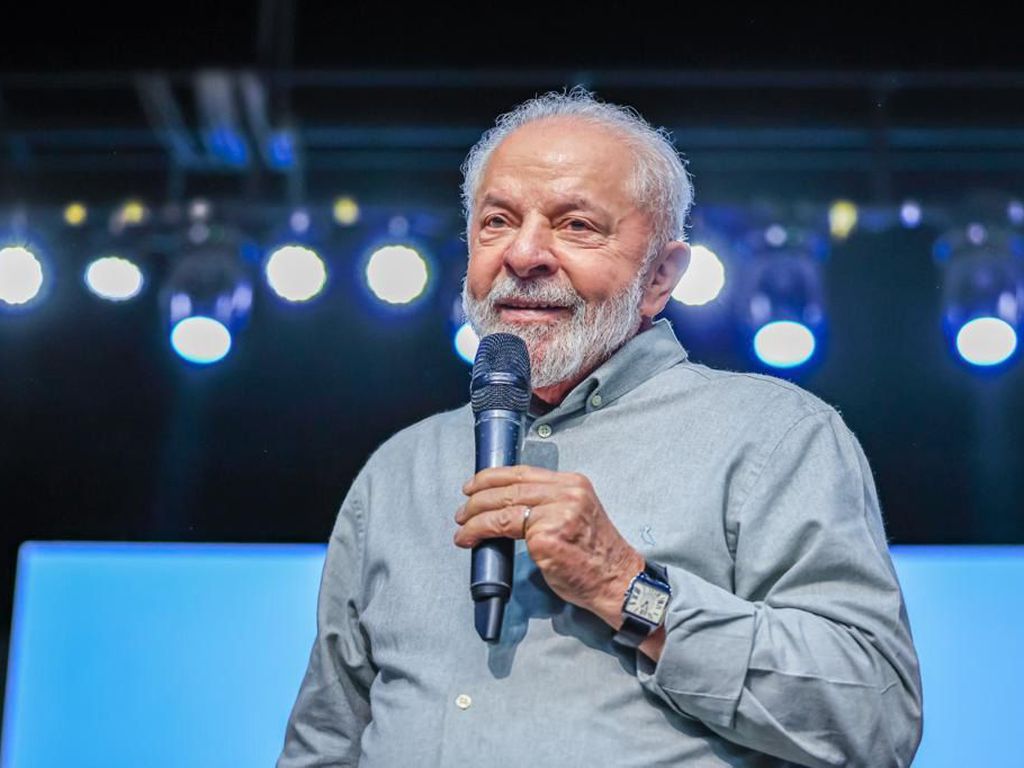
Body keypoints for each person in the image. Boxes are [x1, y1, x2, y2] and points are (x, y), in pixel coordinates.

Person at [278, 89, 923, 767]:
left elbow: (874, 721)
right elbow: (326, 742)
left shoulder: (774, 437)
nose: (524, 253)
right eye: (497, 221)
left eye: (577, 225)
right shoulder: (400, 468)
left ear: (661, 276)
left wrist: (625, 587)